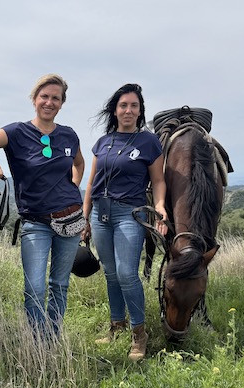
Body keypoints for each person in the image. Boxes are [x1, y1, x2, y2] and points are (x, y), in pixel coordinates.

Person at [0, 74, 86, 339]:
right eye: (44, 96)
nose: (49, 102)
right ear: (34, 99)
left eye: (55, 98)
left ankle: (51, 340)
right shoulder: (17, 132)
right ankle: (37, 342)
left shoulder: (69, 135)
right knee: (34, 288)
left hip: (71, 220)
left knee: (60, 285)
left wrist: (73, 190)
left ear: (61, 103)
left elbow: (79, 164)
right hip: (36, 223)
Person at [82, 83, 168, 361]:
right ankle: (116, 326)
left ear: (140, 111)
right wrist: (85, 217)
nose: (128, 110)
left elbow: (158, 181)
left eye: (134, 106)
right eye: (123, 105)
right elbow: (91, 183)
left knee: (126, 273)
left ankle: (138, 335)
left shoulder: (148, 142)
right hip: (100, 213)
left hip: (130, 213)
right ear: (115, 110)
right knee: (109, 272)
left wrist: (160, 206)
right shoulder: (103, 143)